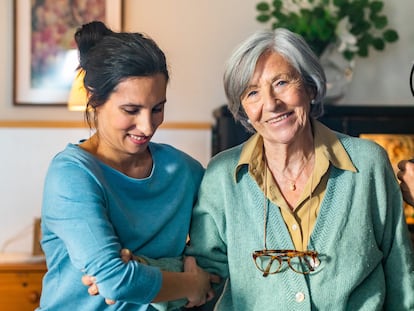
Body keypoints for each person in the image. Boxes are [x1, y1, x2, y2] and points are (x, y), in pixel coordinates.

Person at [185, 28, 414, 310]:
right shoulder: (222, 175)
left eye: (281, 83)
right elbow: (201, 275)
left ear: (310, 86)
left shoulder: (368, 163)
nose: (271, 104)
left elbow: (400, 274)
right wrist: (139, 271)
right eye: (253, 92)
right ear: (243, 108)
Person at [37, 21, 217, 310]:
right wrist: (190, 283)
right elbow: (114, 282)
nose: (147, 126)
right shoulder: (72, 174)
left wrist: (144, 267)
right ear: (95, 99)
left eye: (157, 108)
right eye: (131, 110)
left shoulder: (185, 171)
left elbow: (217, 262)